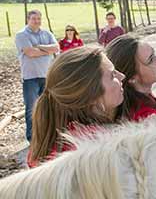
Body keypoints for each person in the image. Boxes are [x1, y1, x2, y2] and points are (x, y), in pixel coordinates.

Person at [27, 47, 125, 167]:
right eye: (112, 75)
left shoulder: (45, 145)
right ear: (91, 95)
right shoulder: (98, 148)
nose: (122, 76)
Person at [15, 10, 59, 143]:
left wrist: (39, 46)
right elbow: (30, 53)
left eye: (39, 18)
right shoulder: (21, 35)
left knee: (48, 107)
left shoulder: (47, 33)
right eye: (34, 19)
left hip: (47, 76)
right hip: (30, 78)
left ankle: (47, 134)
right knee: (31, 109)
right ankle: (32, 138)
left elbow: (56, 48)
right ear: (28, 19)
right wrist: (47, 50)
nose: (37, 21)